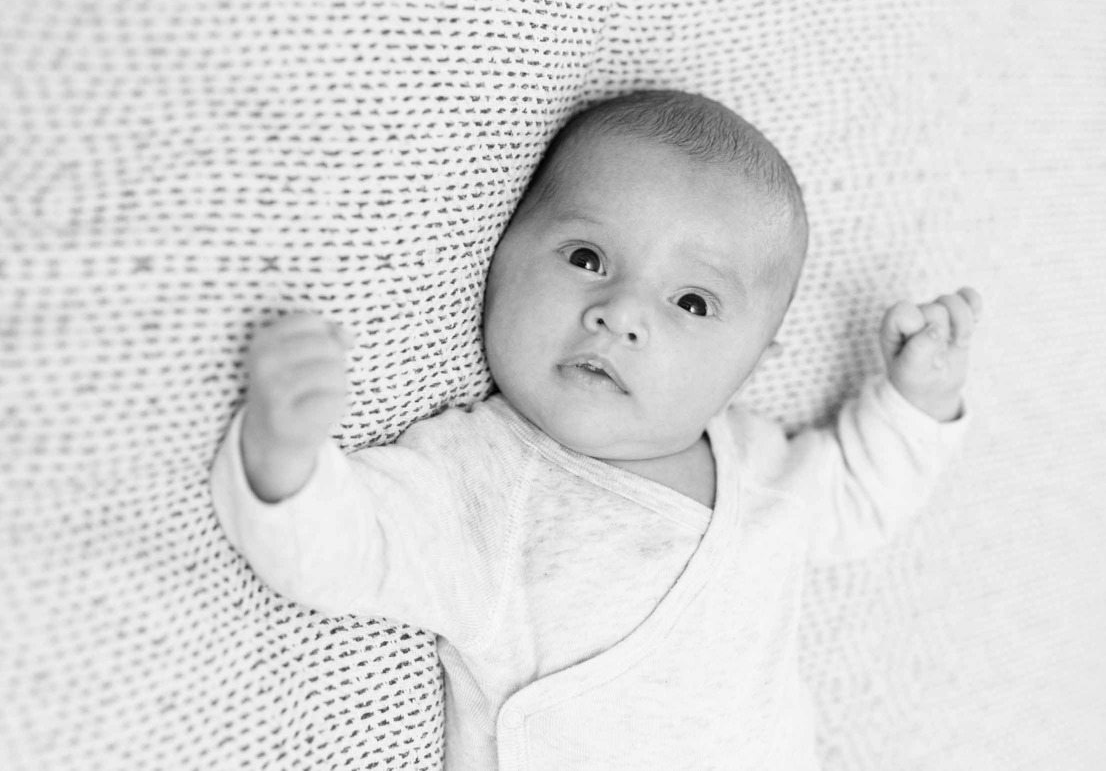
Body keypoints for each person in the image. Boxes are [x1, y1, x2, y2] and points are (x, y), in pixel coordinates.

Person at [210, 89, 982, 770]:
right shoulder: (488, 478)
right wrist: (284, 451)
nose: (622, 313)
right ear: (501, 253)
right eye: (587, 256)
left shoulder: (762, 469)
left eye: (692, 303)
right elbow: (345, 550)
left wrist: (917, 401)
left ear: (751, 362)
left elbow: (860, 493)